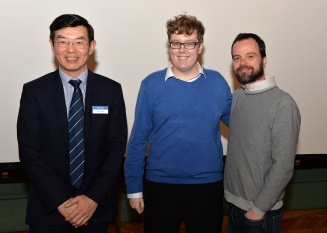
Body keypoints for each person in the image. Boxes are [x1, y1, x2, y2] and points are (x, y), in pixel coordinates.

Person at [17, 14, 127, 233]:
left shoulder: (111, 91)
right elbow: (30, 153)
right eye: (62, 41)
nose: (71, 49)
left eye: (79, 42)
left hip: (96, 210)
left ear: (91, 46)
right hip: (48, 210)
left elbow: (115, 149)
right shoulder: (34, 92)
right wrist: (61, 202)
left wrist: (92, 199)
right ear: (52, 45)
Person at [124, 14, 232, 233]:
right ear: (169, 46)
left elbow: (241, 126)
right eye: (176, 43)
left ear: (200, 46)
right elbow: (137, 140)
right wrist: (134, 189)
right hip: (160, 186)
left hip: (207, 187)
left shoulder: (218, 83)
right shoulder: (151, 84)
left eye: (190, 43)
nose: (182, 50)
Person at [224, 33, 301, 233]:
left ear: (264, 60)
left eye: (250, 56)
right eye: (237, 58)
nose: (243, 63)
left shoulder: (283, 104)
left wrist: (257, 210)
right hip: (233, 206)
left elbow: (283, 166)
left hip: (259, 214)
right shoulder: (238, 96)